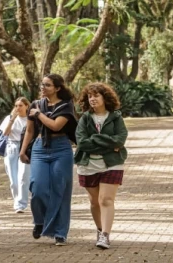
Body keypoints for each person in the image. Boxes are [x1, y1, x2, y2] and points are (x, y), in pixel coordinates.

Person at [19, 73, 78, 246]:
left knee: (61, 190)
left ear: (58, 88)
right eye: (42, 85)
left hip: (61, 148)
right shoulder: (37, 104)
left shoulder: (66, 106)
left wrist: (38, 114)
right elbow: (30, 131)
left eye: (47, 85)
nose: (43, 88)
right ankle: (40, 221)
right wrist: (23, 151)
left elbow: (55, 125)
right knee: (37, 187)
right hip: (39, 148)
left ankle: (60, 233)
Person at [74, 82, 128, 249]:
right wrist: (107, 142)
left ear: (105, 98)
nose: (93, 99)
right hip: (87, 164)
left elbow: (120, 139)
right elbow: (82, 143)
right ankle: (99, 229)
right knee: (94, 202)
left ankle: (105, 235)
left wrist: (97, 140)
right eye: (90, 96)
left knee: (106, 199)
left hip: (112, 163)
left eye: (96, 95)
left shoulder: (116, 117)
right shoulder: (84, 119)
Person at [0, 97, 31, 213]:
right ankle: (17, 200)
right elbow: (5, 133)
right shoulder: (9, 118)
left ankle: (20, 205)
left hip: (26, 147)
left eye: (21, 105)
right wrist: (12, 119)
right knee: (13, 180)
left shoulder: (31, 119)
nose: (18, 108)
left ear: (27, 106)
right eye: (16, 105)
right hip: (12, 147)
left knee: (23, 176)